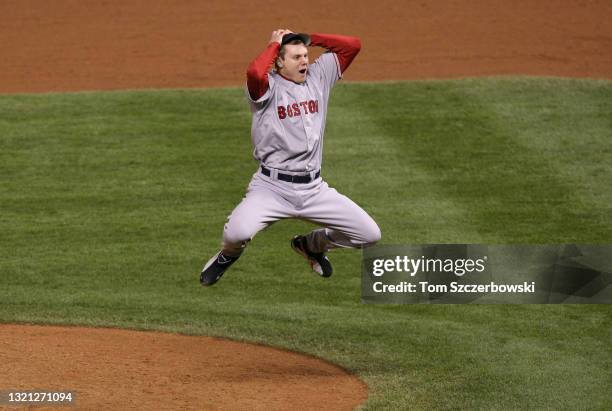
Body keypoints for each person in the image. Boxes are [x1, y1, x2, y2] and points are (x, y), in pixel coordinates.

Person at [200, 29, 381, 286]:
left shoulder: (319, 77)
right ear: (279, 62)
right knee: (236, 234)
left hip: (313, 189)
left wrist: (310, 36)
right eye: (296, 57)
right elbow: (254, 72)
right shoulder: (267, 87)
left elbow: (352, 45)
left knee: (369, 235)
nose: (305, 61)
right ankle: (227, 257)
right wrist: (274, 44)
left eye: (306, 55)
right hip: (272, 188)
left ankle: (311, 245)